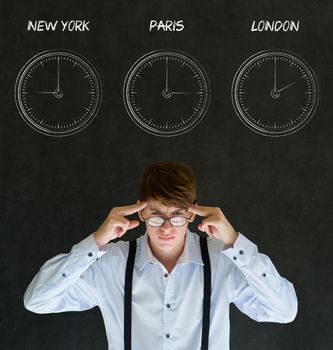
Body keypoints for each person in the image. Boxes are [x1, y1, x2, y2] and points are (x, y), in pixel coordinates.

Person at [24, 161, 297, 350]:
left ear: (192, 213)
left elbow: (283, 311)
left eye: (177, 215)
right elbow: (37, 300)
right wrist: (96, 242)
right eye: (156, 215)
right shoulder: (111, 263)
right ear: (141, 213)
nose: (167, 226)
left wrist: (236, 242)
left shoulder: (223, 258)